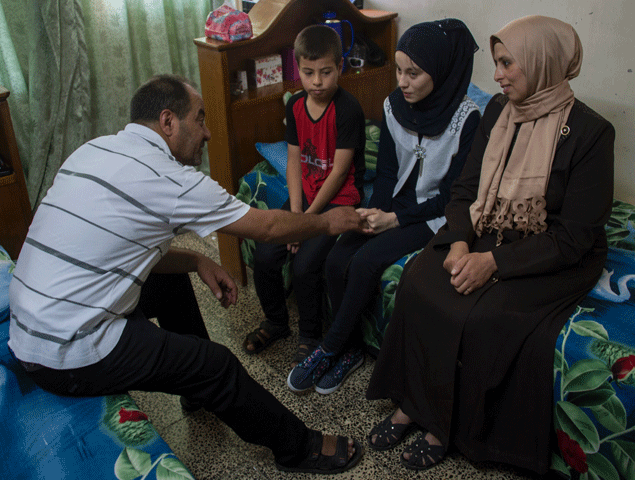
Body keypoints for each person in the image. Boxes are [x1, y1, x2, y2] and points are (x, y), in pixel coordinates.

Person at [7, 74, 365, 474]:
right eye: (200, 119)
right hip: (67, 349)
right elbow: (267, 228)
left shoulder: (95, 149)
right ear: (167, 122)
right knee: (216, 365)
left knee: (170, 278)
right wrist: (329, 222)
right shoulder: (169, 180)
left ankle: (196, 393)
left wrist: (196, 260)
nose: (208, 132)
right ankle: (300, 449)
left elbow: (123, 246)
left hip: (33, 319)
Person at [365, 15, 615, 474]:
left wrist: (493, 263)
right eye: (497, 63)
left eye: (506, 63)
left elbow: (573, 237)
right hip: (486, 226)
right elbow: (466, 189)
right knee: (421, 279)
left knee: (484, 313)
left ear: (541, 63)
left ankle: (445, 425)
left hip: (550, 250)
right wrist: (459, 242)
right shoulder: (500, 111)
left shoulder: (590, 133)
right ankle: (413, 403)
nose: (496, 75)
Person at [286, 19, 481, 395]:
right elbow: (387, 173)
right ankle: (353, 350)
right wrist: (373, 214)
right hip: (396, 203)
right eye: (398, 70)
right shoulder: (394, 106)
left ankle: (331, 348)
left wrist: (396, 219)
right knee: (336, 258)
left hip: (436, 214)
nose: (403, 82)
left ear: (439, 72)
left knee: (363, 262)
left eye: (414, 73)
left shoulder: (468, 119)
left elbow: (457, 196)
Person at [243, 24, 366, 369]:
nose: (317, 81)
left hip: (337, 199)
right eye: (308, 73)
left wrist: (307, 221)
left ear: (339, 67)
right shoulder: (296, 105)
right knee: (266, 252)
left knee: (306, 263)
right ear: (297, 69)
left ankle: (310, 335)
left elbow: (340, 171)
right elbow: (294, 159)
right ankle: (276, 322)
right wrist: (295, 213)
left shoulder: (348, 110)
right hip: (305, 200)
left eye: (326, 73)